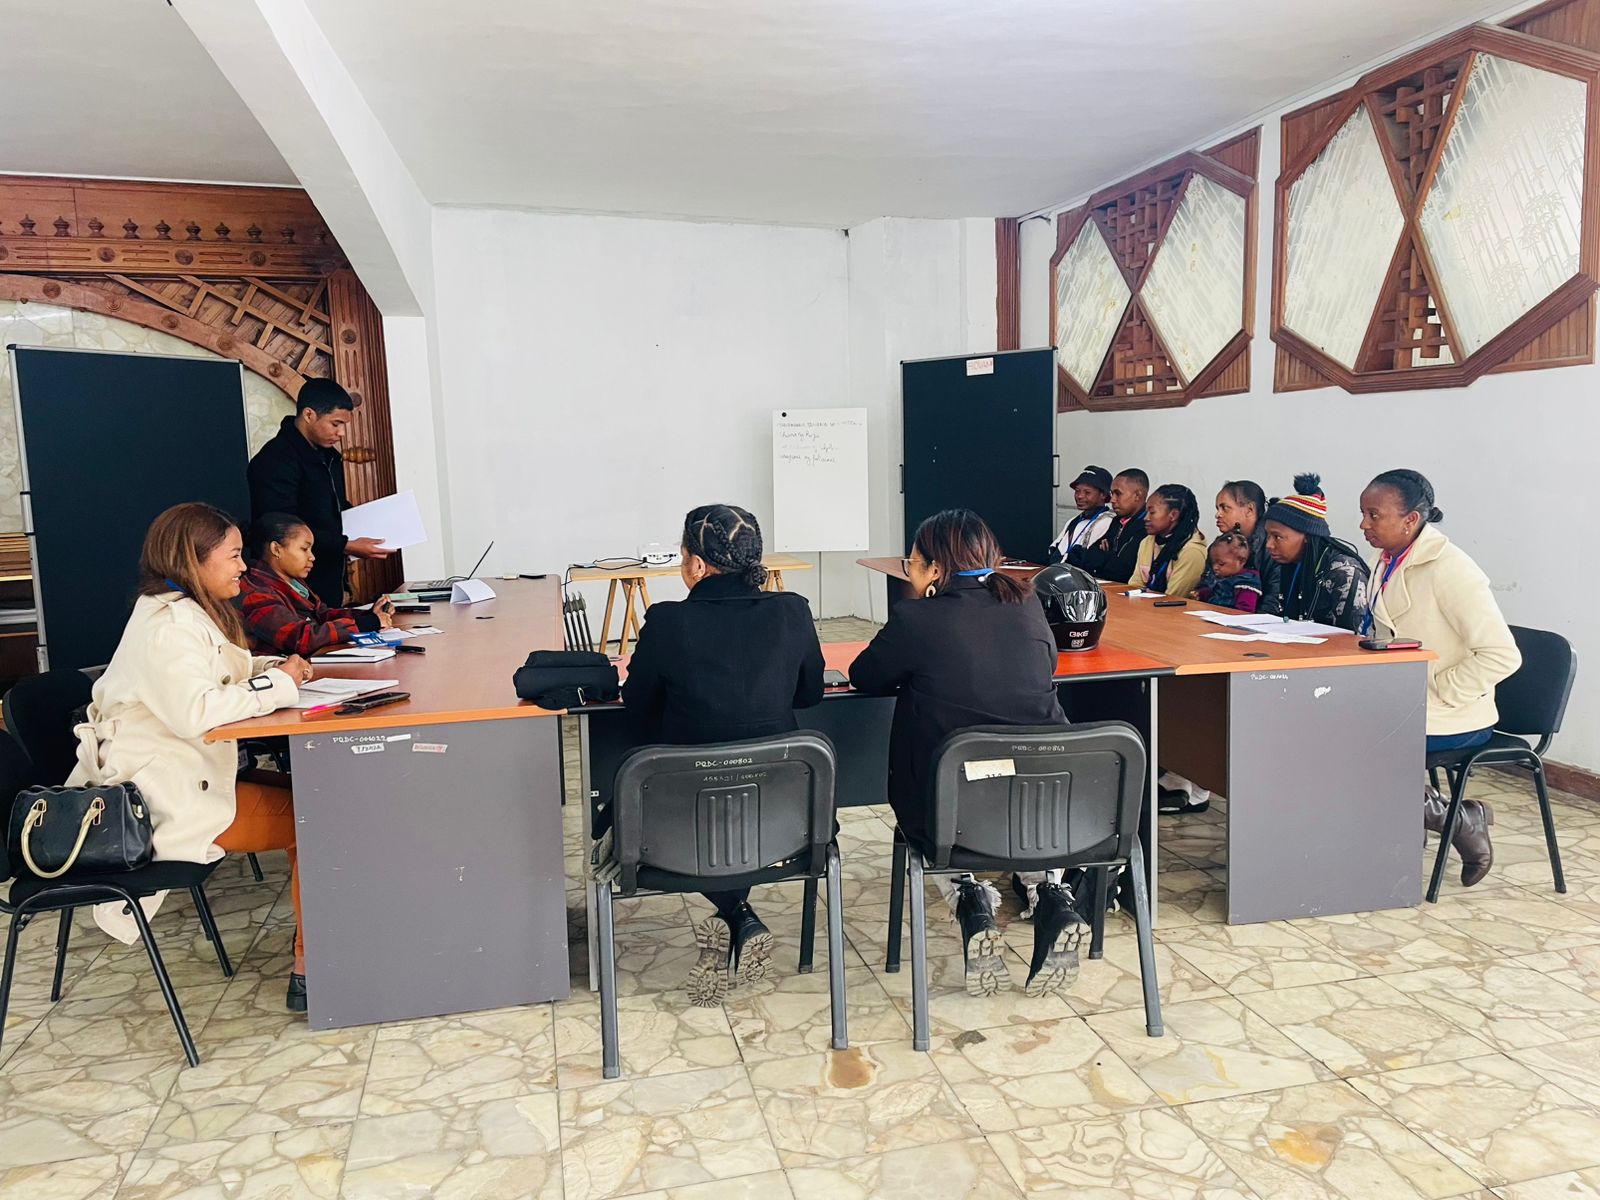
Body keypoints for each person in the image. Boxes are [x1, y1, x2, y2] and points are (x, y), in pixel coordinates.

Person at [66, 503, 315, 1011]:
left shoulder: (180, 612)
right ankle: (315, 970)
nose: (244, 567)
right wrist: (278, 685)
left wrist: (274, 669)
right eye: (234, 556)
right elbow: (197, 711)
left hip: (183, 779)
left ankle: (321, 956)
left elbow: (217, 675)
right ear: (193, 561)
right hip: (162, 803)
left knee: (317, 797)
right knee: (319, 819)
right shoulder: (168, 627)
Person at [850, 509, 1086, 999]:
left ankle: (971, 900)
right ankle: (1051, 896)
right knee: (1015, 796)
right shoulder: (1026, 603)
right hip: (1043, 800)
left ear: (935, 570)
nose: (907, 572)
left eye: (910, 563)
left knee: (944, 806)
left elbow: (864, 674)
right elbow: (1047, 665)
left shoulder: (917, 618)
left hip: (952, 806)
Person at [620, 504, 824, 1006]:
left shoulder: (668, 622)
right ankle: (738, 914)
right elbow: (811, 695)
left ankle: (736, 915)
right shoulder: (792, 611)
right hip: (783, 819)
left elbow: (635, 703)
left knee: (691, 812)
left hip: (682, 824)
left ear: (694, 564)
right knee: (740, 814)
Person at [1359, 469, 1519, 886]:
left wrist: (1441, 689)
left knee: (1352, 746)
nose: (1364, 525)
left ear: (1410, 520)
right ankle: (1427, 824)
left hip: (1453, 715)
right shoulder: (1391, 559)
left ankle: (1460, 820)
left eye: (1374, 515)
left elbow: (1502, 655)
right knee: (1329, 728)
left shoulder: (1452, 569)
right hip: (1402, 702)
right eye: (1364, 514)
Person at [247, 378, 392, 606]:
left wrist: (376, 522)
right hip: (295, 590)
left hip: (331, 581)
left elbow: (332, 507)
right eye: (335, 424)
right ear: (308, 415)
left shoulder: (328, 456)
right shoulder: (274, 460)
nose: (342, 433)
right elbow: (280, 530)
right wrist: (345, 545)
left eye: (344, 425)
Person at [237, 513, 397, 656]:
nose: (312, 557)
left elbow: (322, 614)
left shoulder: (294, 582)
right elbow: (301, 638)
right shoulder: (256, 592)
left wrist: (369, 616)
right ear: (276, 549)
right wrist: (365, 624)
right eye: (304, 549)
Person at [1263, 474, 1370, 630]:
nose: (1269, 545)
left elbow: (1352, 639)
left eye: (1277, 537)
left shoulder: (1343, 572)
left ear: (1306, 535)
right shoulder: (1292, 564)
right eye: (1268, 536)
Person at [1198, 480, 1283, 615]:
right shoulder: (1220, 546)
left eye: (1225, 508)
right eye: (1217, 508)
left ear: (1249, 510)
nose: (1217, 514)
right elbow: (1206, 586)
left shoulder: (1272, 547)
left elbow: (1273, 601)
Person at [1070, 468, 1148, 583]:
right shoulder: (1117, 521)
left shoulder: (1146, 526)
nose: (1112, 499)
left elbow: (1122, 570)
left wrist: (1106, 556)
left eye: (1118, 494)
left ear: (1137, 495)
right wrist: (1108, 557)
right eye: (1112, 494)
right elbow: (1089, 557)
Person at [1130, 483, 1206, 597]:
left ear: (1173, 515)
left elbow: (1172, 598)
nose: (1146, 518)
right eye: (1146, 512)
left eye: (1152, 512)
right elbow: (1134, 586)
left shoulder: (1192, 552)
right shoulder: (1147, 541)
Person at [1049, 466, 1114, 562]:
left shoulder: (1108, 522)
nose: (1079, 496)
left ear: (1103, 495)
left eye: (1087, 492)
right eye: (1077, 491)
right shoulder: (1073, 521)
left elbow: (1086, 559)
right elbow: (1055, 551)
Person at [1197, 533, 1263, 613]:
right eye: (1213, 563)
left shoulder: (1246, 582)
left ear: (1241, 561)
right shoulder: (1222, 576)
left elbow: (1245, 610)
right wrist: (1200, 594)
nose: (1215, 567)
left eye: (1221, 563)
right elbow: (1213, 592)